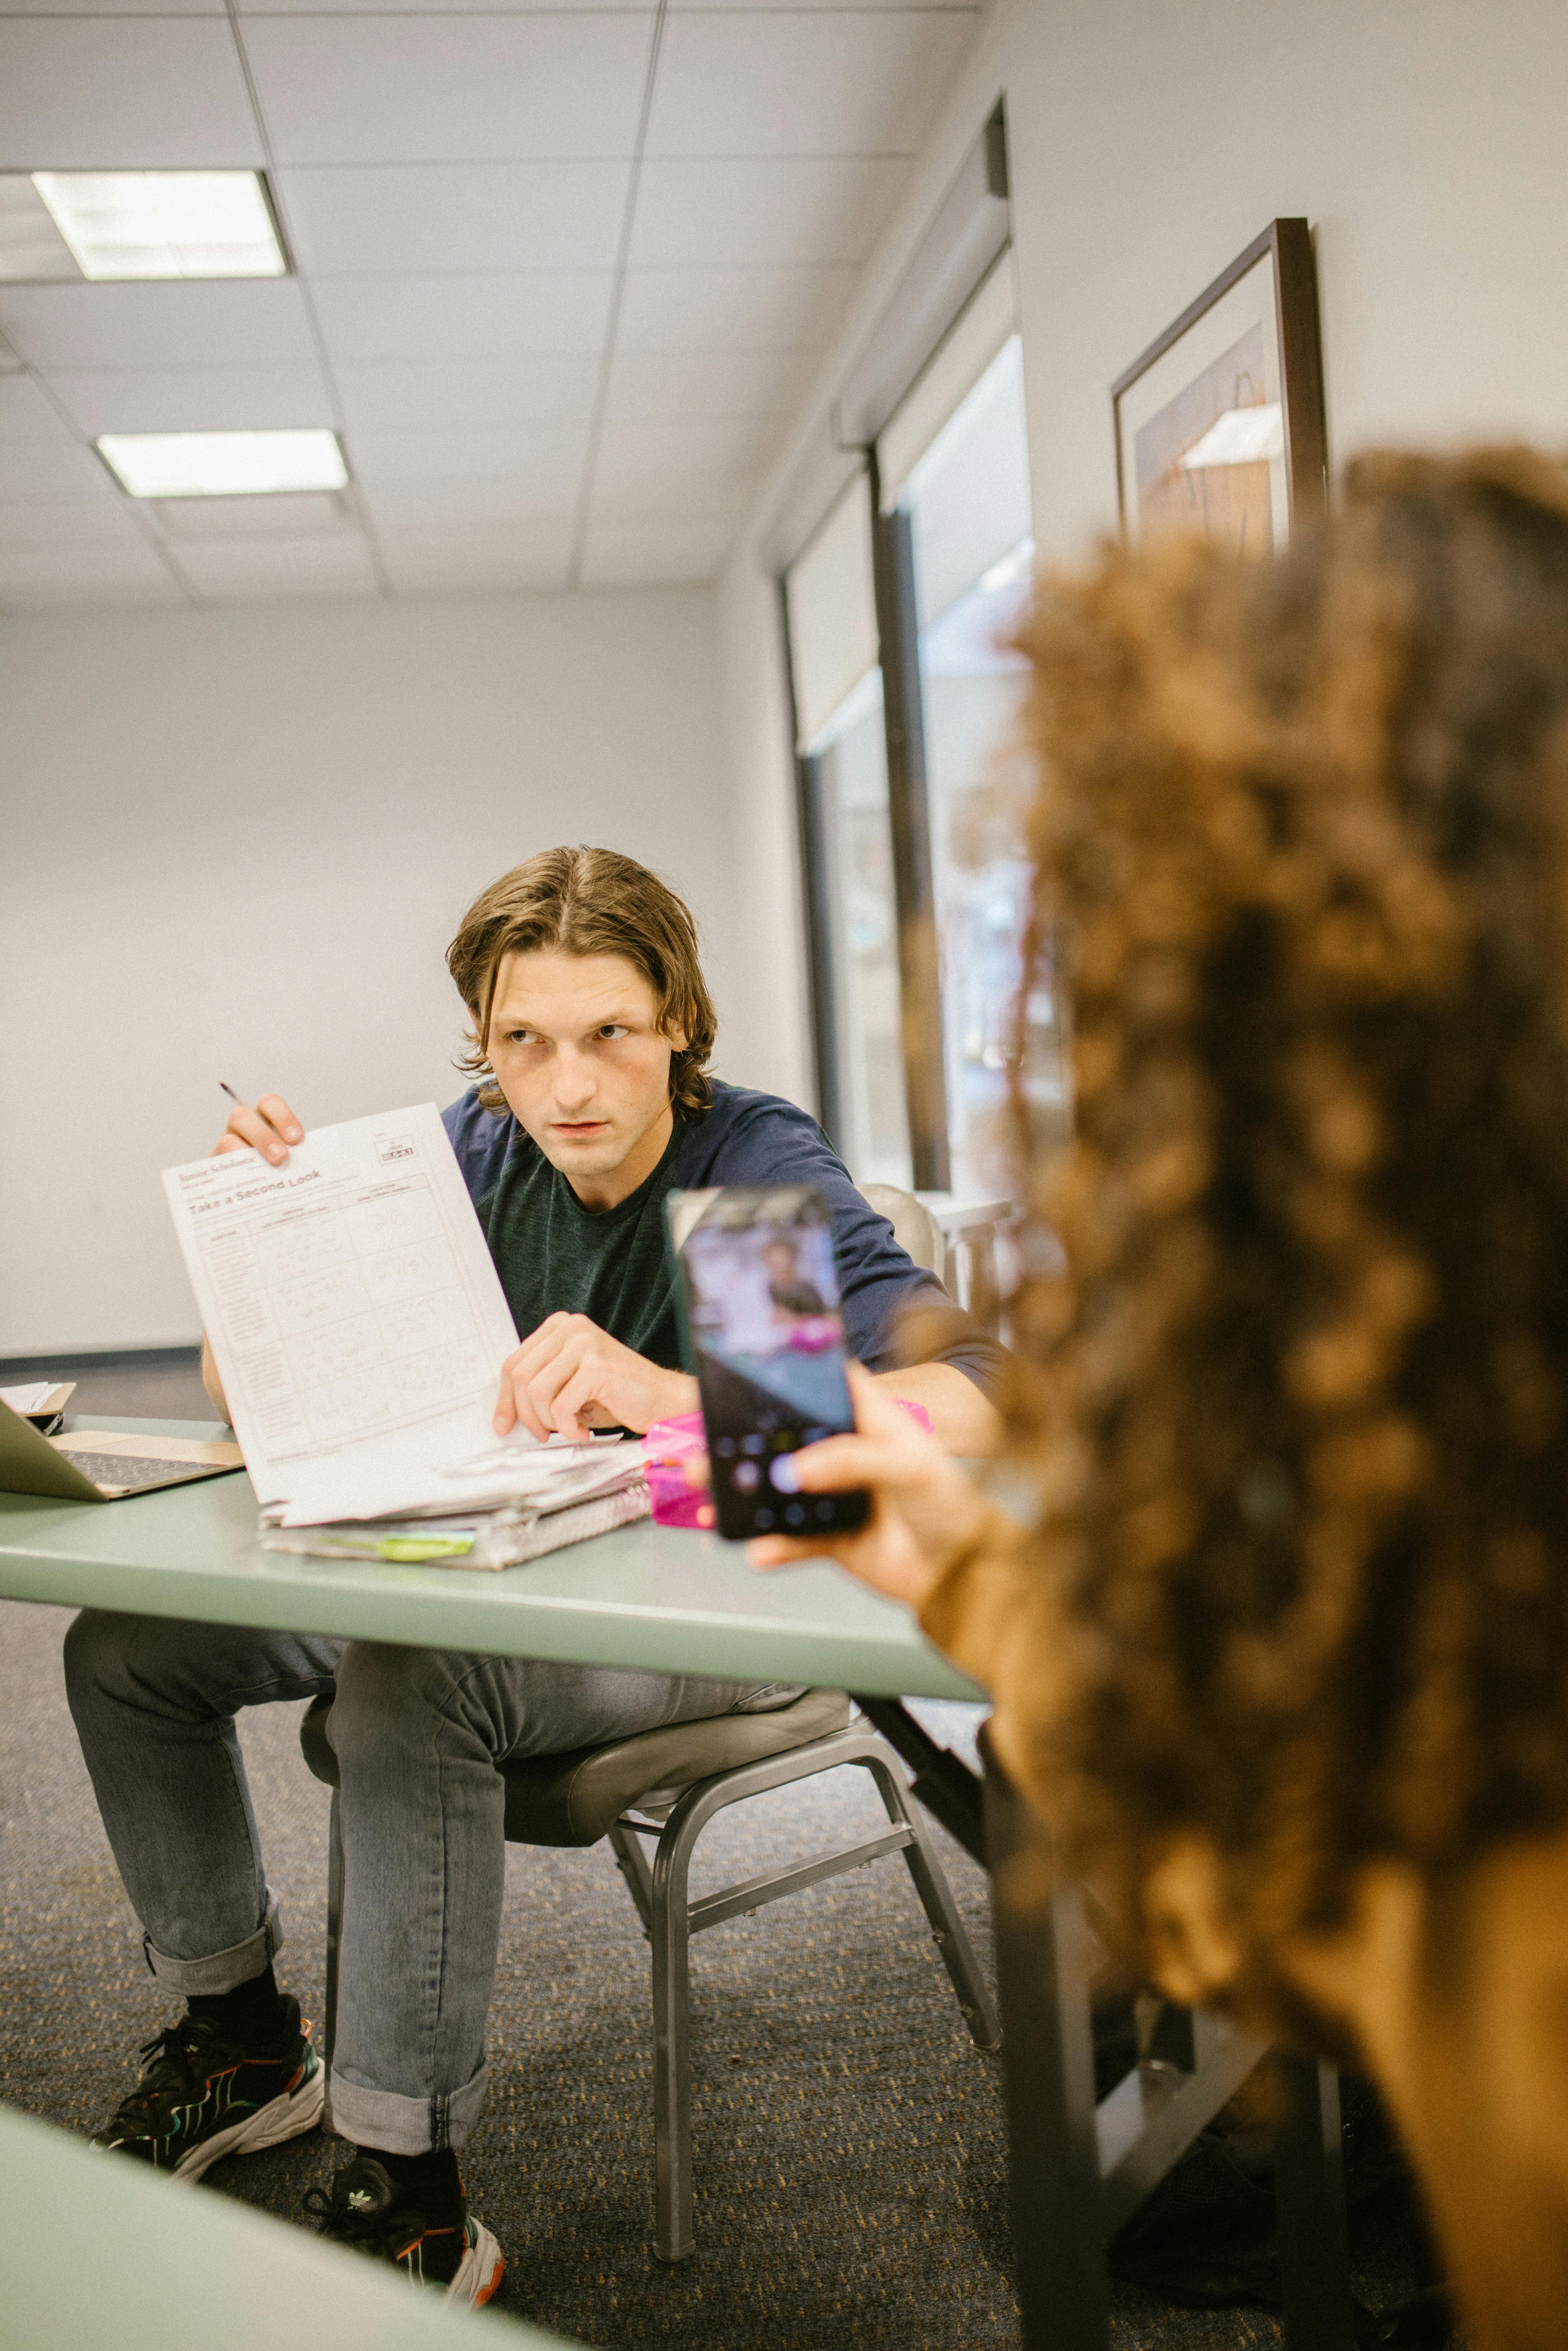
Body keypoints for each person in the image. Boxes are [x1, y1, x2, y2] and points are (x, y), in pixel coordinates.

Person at [746, 452, 1568, 2351]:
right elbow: (1287, 1851)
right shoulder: (1452, 1533)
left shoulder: (761, 1157)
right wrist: (966, 1568)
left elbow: (1269, 1878)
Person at [67, 845, 1003, 2301]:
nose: (568, 1083)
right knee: (125, 1649)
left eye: (609, 1034)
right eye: (524, 1041)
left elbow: (969, 1398)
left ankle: (411, 2191)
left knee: (408, 1688)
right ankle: (241, 2037)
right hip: (496, 1554)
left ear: (678, 1024)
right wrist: (260, 1247)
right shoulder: (473, 1150)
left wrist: (662, 1387)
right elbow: (266, 1409)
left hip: (733, 1590)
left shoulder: (743, 1167)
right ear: (485, 1041)